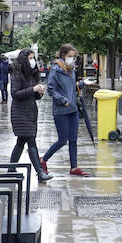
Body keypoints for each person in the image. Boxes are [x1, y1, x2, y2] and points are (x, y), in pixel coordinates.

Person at [42, 43, 89, 177]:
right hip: (62, 110)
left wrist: (82, 83)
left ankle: (74, 167)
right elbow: (51, 90)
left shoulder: (71, 70)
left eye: (73, 57)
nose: (72, 59)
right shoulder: (55, 70)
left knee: (73, 139)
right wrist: (64, 101)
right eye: (70, 56)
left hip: (73, 109)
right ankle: (43, 160)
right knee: (62, 140)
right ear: (63, 55)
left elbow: (71, 88)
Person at [8, 48, 51, 182]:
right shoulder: (16, 74)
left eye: (33, 58)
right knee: (31, 140)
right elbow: (15, 94)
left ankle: (11, 169)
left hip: (30, 112)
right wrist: (32, 89)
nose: (33, 61)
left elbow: (33, 96)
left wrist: (38, 93)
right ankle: (40, 172)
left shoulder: (30, 74)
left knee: (21, 141)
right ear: (24, 59)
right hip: (20, 113)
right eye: (30, 58)